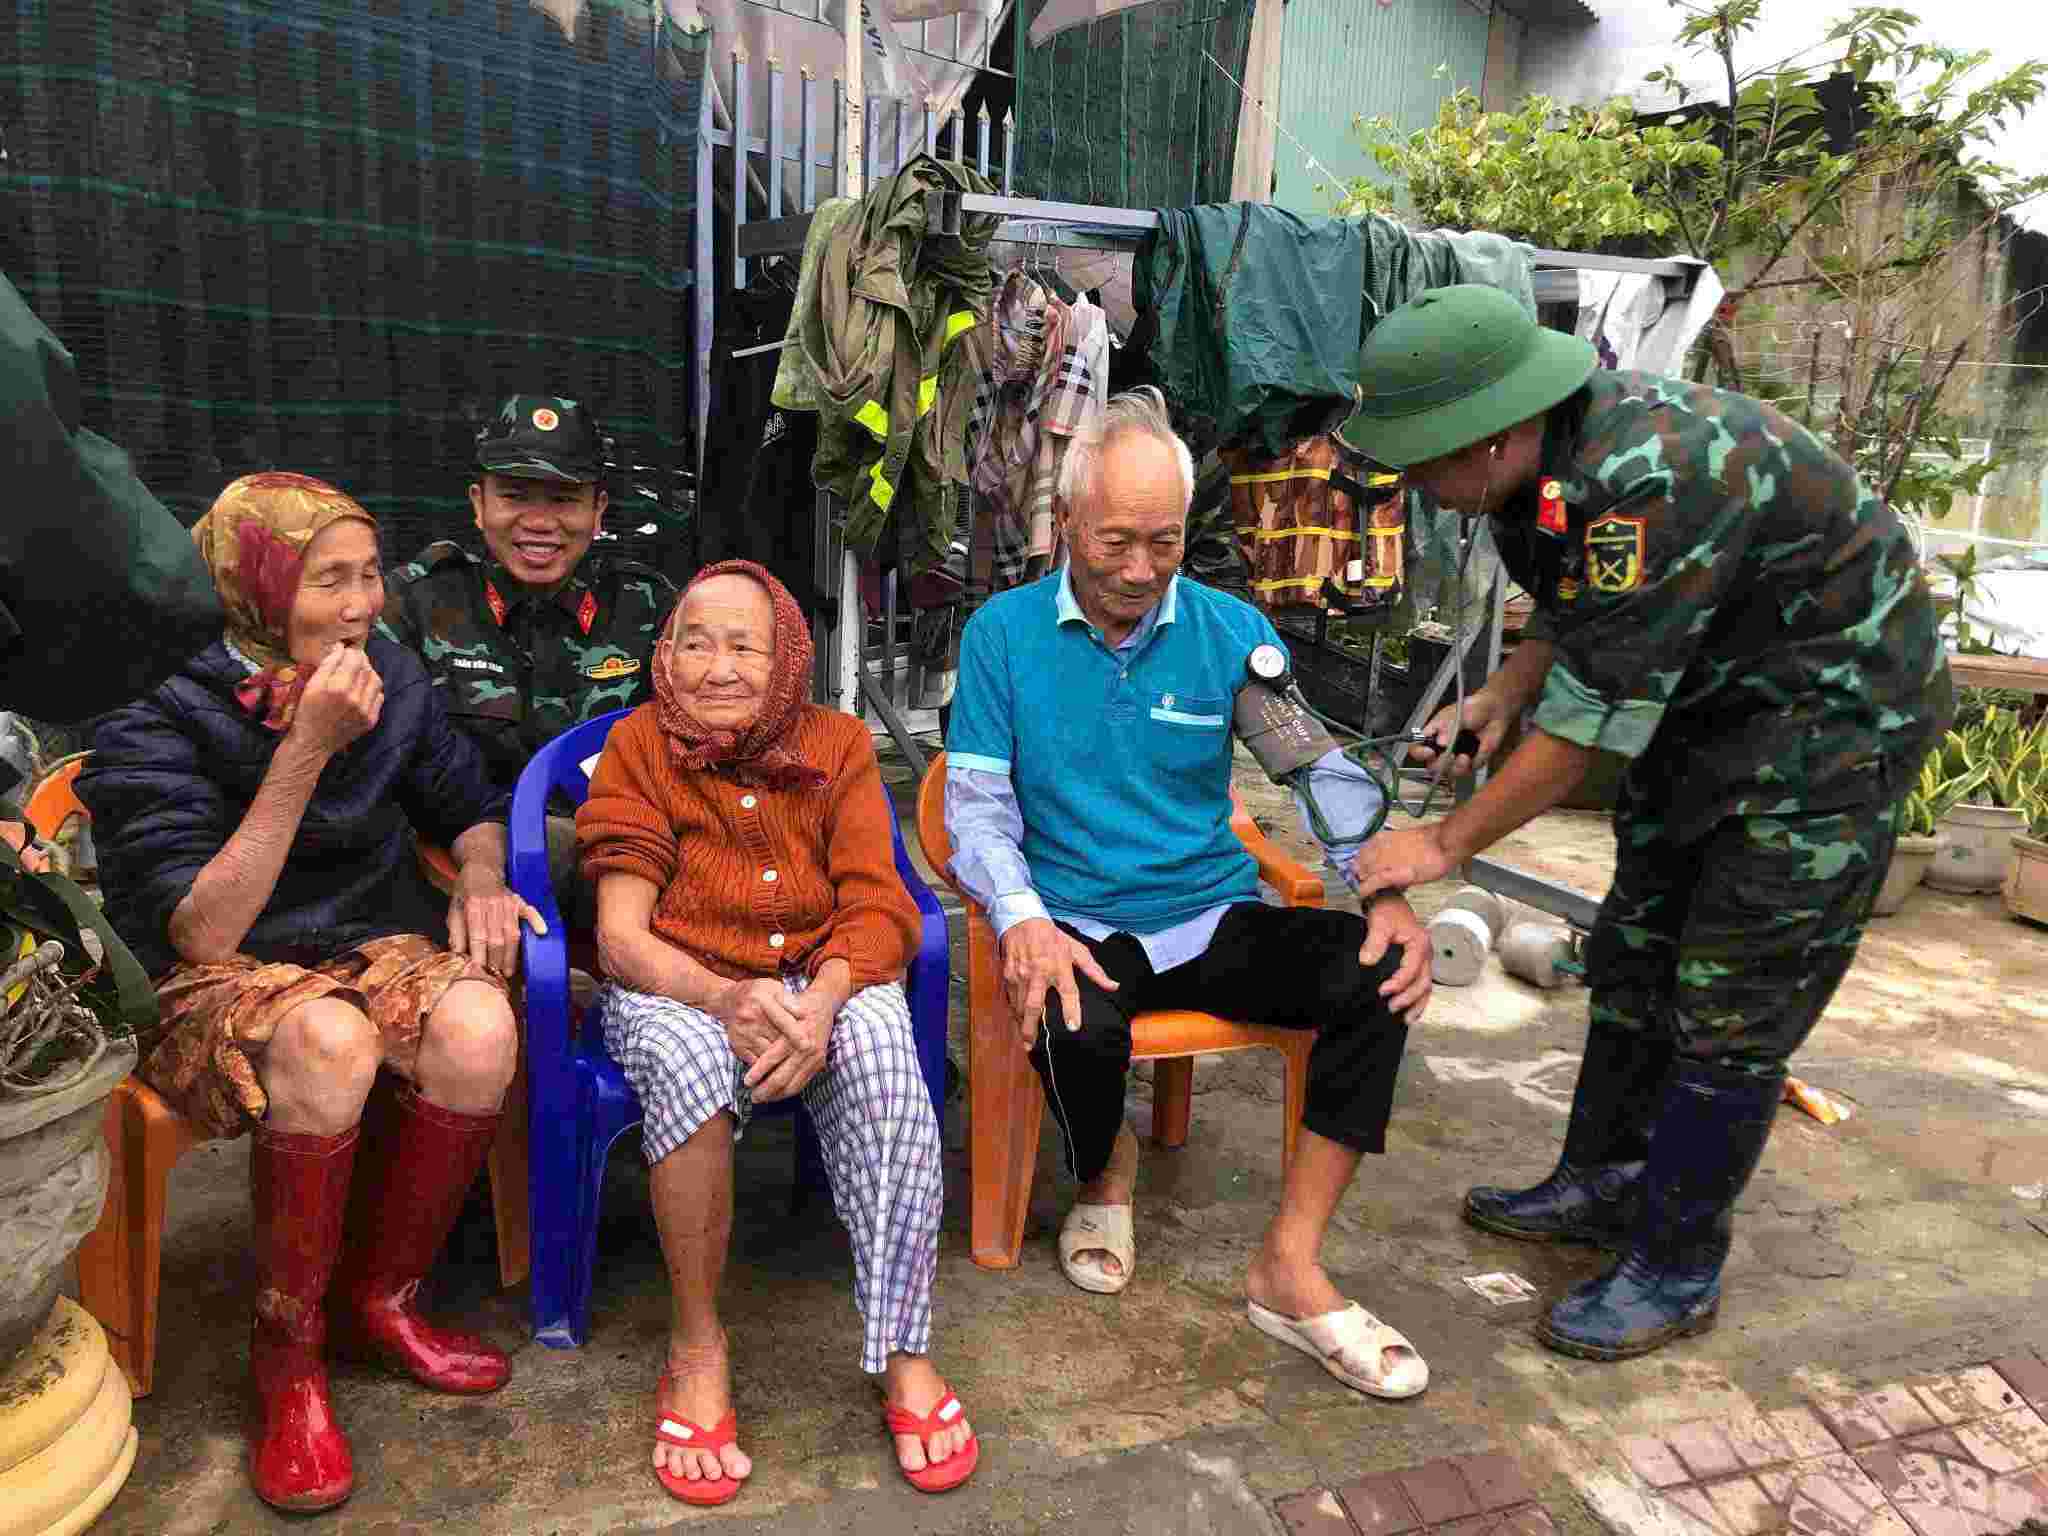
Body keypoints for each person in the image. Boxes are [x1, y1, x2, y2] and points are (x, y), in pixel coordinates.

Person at [1340, 285, 1952, 1361]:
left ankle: (1675, 1263)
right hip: (1702, 713)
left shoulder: (1651, 474)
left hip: (1827, 733)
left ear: (1490, 436)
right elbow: (1578, 609)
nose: (1413, 484)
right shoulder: (1538, 469)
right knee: (1633, 954)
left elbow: (1586, 732)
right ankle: (1604, 1182)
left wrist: (1441, 844)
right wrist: (1501, 694)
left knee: (1730, 1001)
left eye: (1423, 461)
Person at [944, 387, 1435, 1402]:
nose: (1139, 569)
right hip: (1078, 918)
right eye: (1115, 541)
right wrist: (1021, 917)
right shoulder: (1002, 635)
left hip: (1210, 914)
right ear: (1066, 521)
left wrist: (1384, 892)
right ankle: (1105, 1166)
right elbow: (978, 809)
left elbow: (1316, 773)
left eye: (1162, 542)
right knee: (1069, 1025)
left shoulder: (1227, 632)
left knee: (1379, 975)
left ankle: (1290, 1261)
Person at [80, 473, 545, 1513]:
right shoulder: (158, 696)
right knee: (329, 1044)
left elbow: (466, 800)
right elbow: (199, 931)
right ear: (253, 586)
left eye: (371, 575)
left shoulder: (387, 671)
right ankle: (286, 1357)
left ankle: (382, 1302)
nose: (364, 604)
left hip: (360, 943)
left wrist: (479, 875)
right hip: (207, 974)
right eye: (330, 580)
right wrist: (304, 749)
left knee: (479, 1025)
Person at [577, 559, 976, 1505]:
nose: (718, 668)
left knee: (882, 1052)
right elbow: (621, 938)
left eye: (744, 647)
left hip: (818, 971)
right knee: (684, 1063)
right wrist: (724, 999)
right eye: (695, 644)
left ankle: (904, 1349)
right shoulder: (639, 745)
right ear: (665, 656)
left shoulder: (837, 743)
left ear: (787, 656)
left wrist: (827, 997)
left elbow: (877, 900)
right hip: (680, 980)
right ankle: (696, 1347)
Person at [381, 394, 677, 922]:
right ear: (479, 504)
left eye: (564, 499)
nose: (539, 522)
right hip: (447, 881)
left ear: (598, 511)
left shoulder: (649, 608)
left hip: (620, 875)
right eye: (515, 496)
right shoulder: (416, 605)